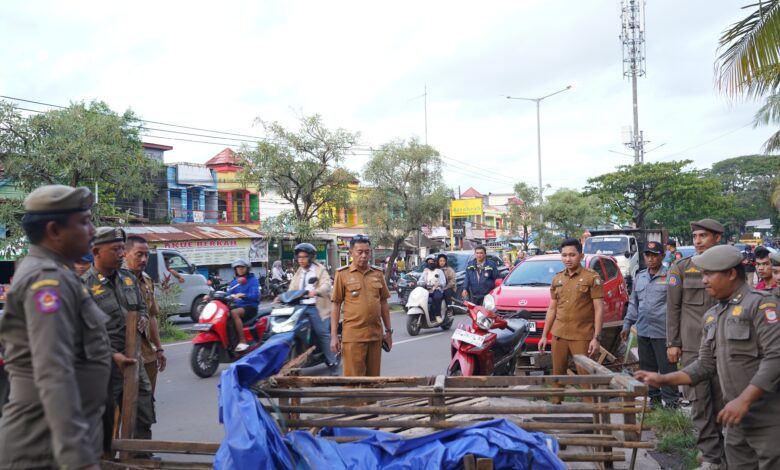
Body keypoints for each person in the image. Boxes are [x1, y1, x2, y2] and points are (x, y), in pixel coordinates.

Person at [636, 245, 780, 469]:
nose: (703, 280)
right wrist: (665, 379)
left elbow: (776, 358)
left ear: (731, 274)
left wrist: (744, 400)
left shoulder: (761, 305)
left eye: (708, 274)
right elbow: (704, 365)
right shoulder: (713, 316)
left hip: (769, 419)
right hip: (735, 420)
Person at [0, 185, 109, 470]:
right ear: (54, 230)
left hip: (51, 441)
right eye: (84, 222)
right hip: (44, 445)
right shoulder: (48, 280)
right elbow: (53, 371)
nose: (93, 230)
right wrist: (79, 460)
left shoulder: (54, 270)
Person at [84, 227, 155, 453]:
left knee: (144, 407)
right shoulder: (83, 285)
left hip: (134, 358)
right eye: (115, 249)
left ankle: (140, 456)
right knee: (105, 417)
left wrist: (143, 319)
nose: (121, 253)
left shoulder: (127, 278)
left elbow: (143, 308)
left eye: (122, 248)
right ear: (96, 251)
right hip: (104, 362)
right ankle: (105, 459)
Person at [666, 218, 725, 469]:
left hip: (727, 347)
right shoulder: (681, 268)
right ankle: (710, 456)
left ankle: (728, 451)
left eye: (704, 236)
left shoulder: (729, 267)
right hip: (693, 347)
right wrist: (673, 342)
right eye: (695, 236)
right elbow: (673, 307)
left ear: (717, 238)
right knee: (700, 403)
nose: (698, 241)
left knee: (725, 401)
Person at [537, 238, 603, 405]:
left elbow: (599, 309)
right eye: (564, 255)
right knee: (557, 375)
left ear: (580, 256)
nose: (568, 259)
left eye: (572, 255)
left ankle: (592, 415)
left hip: (581, 335)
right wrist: (544, 336)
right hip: (559, 335)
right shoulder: (557, 279)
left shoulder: (592, 278)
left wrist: (596, 338)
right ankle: (556, 408)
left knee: (585, 377)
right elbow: (552, 309)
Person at [621, 241, 680, 408]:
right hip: (644, 331)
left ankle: (671, 405)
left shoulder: (670, 277)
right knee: (648, 369)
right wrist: (627, 324)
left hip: (663, 333)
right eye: (648, 255)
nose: (651, 259)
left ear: (662, 256)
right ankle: (654, 403)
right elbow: (634, 303)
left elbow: (676, 305)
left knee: (667, 369)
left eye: (655, 255)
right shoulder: (640, 277)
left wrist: (676, 336)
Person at [330, 234, 392, 377]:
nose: (364, 255)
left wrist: (388, 331)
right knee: (354, 382)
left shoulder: (377, 274)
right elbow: (336, 305)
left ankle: (371, 401)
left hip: (375, 337)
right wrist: (334, 336)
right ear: (351, 252)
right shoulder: (342, 274)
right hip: (353, 337)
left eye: (367, 252)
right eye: (360, 252)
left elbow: (383, 302)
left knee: (373, 381)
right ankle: (356, 401)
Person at [286, 242, 338, 375]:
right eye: (299, 257)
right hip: (299, 307)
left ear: (311, 257)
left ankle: (332, 362)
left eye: (304, 257)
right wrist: (282, 297)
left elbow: (327, 285)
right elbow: (292, 288)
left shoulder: (319, 270)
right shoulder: (299, 272)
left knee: (322, 333)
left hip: (316, 307)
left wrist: (317, 291)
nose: (301, 260)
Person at [124, 235, 167, 393]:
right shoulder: (116, 281)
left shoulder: (147, 281)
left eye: (147, 255)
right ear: (125, 254)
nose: (144, 259)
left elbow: (152, 316)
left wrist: (159, 348)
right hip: (126, 354)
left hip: (148, 354)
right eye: (139, 254)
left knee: (147, 404)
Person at [226, 258, 260, 353]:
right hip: (238, 307)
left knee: (234, 313)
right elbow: (228, 294)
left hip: (250, 307)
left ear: (247, 268)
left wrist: (243, 295)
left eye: (242, 267)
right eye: (237, 267)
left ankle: (242, 341)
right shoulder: (234, 282)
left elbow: (255, 296)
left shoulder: (253, 280)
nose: (240, 269)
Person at [421, 254, 446, 322]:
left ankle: (437, 315)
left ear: (435, 262)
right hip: (426, 291)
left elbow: (443, 283)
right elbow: (419, 281)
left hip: (436, 290)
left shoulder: (439, 271)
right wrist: (423, 284)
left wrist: (438, 284)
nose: (431, 263)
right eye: (429, 262)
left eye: (432, 262)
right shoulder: (425, 271)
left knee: (437, 297)